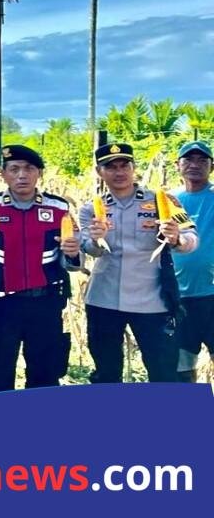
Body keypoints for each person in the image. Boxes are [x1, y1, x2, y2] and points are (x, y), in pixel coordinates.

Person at [0, 145, 80, 393]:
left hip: (46, 302)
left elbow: (72, 253)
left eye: (29, 168)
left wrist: (72, 253)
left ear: (39, 173)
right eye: (14, 169)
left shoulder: (59, 208)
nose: (22, 175)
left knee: (45, 374)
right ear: (3, 174)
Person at [79, 143, 196, 383]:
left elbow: (191, 239)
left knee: (163, 371)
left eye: (124, 165)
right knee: (106, 372)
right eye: (111, 167)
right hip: (104, 299)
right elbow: (87, 248)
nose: (119, 172)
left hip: (152, 300)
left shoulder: (163, 201)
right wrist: (96, 240)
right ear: (100, 172)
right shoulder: (91, 208)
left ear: (134, 168)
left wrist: (176, 239)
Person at [173, 141, 214, 382]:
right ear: (177, 165)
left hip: (212, 294)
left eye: (202, 160)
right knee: (182, 365)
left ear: (211, 166)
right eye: (188, 159)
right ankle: (191, 405)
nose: (195, 165)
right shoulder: (168, 201)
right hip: (179, 298)